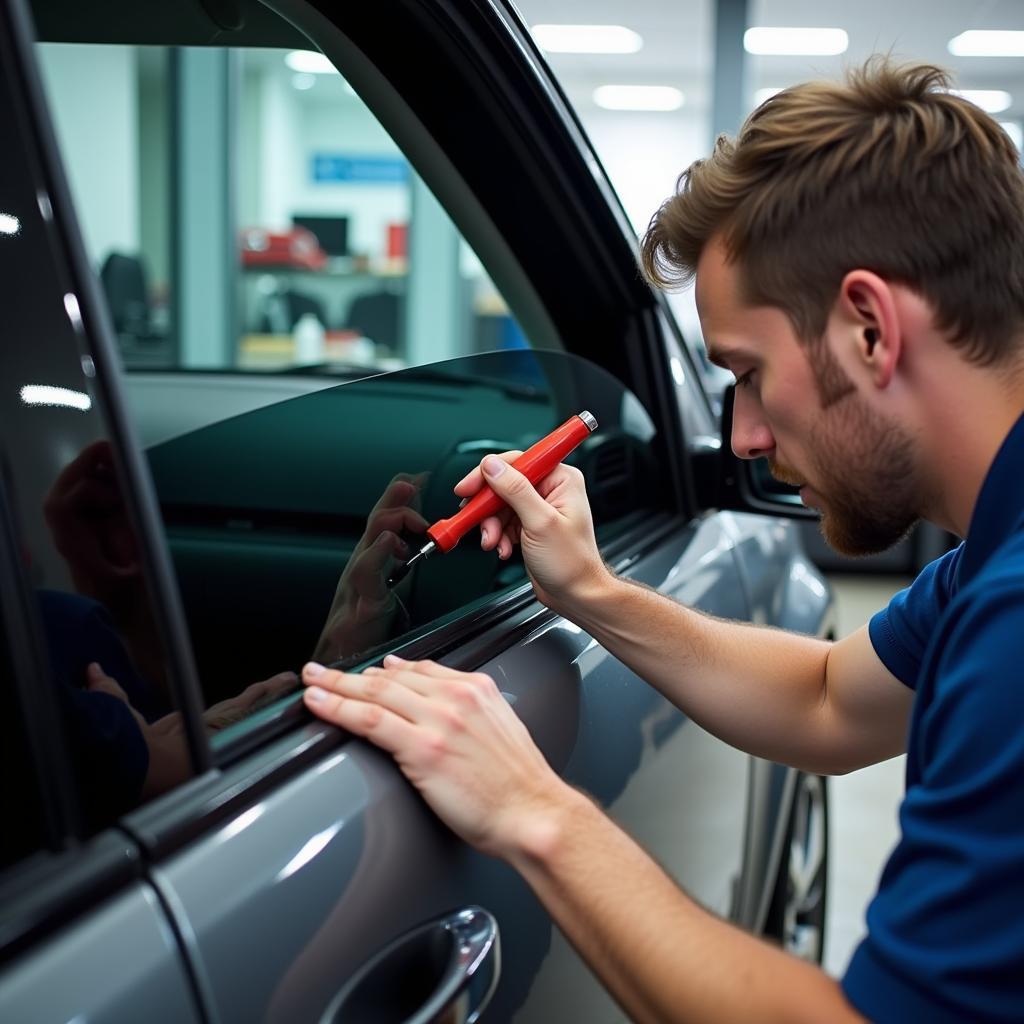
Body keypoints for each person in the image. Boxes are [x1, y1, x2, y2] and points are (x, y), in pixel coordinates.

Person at [301, 59, 1024, 1023]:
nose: (743, 437)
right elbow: (823, 701)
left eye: (751, 373)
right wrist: (590, 589)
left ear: (869, 328)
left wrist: (535, 811)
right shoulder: (991, 563)